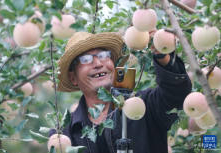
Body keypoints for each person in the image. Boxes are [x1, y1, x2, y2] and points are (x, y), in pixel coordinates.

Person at [49, 31, 192, 153]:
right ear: (73, 77)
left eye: (104, 55)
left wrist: (161, 51)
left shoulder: (144, 105)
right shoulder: (64, 134)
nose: (98, 63)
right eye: (86, 60)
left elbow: (177, 94)